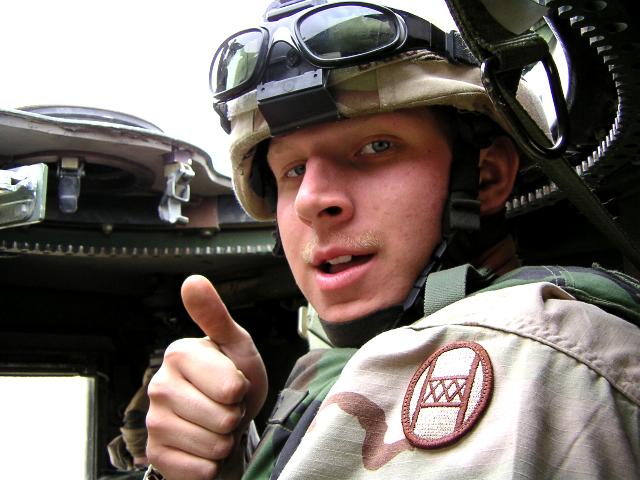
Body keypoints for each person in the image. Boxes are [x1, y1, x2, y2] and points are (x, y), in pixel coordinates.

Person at [144, 1, 640, 479]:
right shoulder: (326, 369)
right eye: (293, 170)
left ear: (485, 177)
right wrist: (229, 456)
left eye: (376, 147)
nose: (311, 200)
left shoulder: (523, 349)